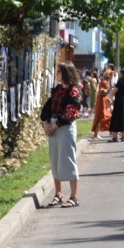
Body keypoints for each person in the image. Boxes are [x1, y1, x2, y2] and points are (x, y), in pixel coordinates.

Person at [41, 62, 83, 208]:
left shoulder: (74, 91)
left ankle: (74, 197)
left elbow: (71, 112)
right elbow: (49, 107)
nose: (56, 73)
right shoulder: (58, 89)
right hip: (53, 125)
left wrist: (54, 125)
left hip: (65, 127)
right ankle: (58, 194)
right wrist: (47, 123)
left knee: (68, 159)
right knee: (55, 160)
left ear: (65, 73)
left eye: (58, 71)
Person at [108, 68, 124, 142]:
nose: (119, 75)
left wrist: (110, 97)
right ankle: (123, 136)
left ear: (122, 74)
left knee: (117, 117)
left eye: (120, 74)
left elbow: (113, 92)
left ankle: (115, 137)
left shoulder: (120, 82)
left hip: (119, 101)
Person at [91, 69, 113, 140]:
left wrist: (107, 97)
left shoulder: (103, 82)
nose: (112, 77)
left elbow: (102, 92)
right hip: (101, 101)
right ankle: (96, 134)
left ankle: (96, 133)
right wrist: (108, 90)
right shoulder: (104, 82)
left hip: (102, 99)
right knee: (101, 116)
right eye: (111, 75)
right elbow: (102, 91)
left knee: (100, 116)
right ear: (109, 76)